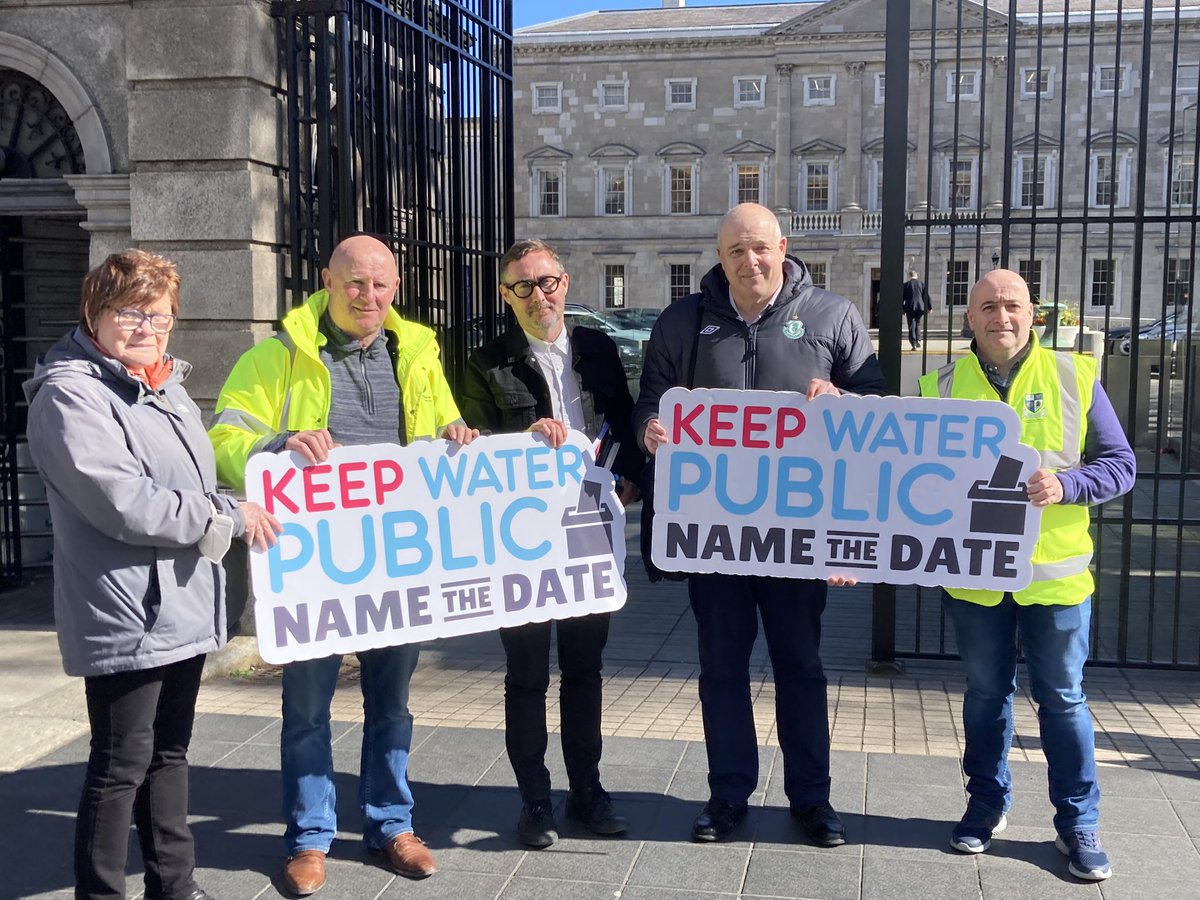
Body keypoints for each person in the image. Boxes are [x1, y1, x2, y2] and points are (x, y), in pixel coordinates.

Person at [209, 234, 478, 896]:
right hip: (314, 568)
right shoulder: (277, 356)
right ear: (327, 281)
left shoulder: (417, 352)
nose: (369, 297)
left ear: (397, 287)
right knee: (307, 707)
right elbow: (222, 438)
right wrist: (278, 444)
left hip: (397, 563)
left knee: (393, 704)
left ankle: (391, 825)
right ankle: (309, 837)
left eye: (382, 285)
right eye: (356, 284)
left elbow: (442, 426)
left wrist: (457, 435)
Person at [24, 250, 279, 900]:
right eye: (130, 312)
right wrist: (229, 515)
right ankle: (103, 893)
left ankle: (175, 885)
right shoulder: (70, 395)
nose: (147, 327)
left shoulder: (166, 388)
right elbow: (122, 501)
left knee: (168, 755)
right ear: (95, 311)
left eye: (160, 316)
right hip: (127, 614)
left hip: (185, 606)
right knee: (119, 767)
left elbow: (196, 475)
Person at [635, 203, 887, 845]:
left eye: (758, 248)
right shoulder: (682, 321)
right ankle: (727, 795)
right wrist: (650, 431)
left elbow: (879, 412)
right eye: (734, 252)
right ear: (719, 259)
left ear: (782, 245)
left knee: (799, 666)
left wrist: (847, 403)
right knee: (721, 669)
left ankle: (812, 799)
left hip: (798, 537)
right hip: (715, 537)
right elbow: (650, 399)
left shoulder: (834, 316)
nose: (749, 261)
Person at [918, 269, 1135, 881]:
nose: (1001, 317)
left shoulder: (1075, 375)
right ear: (969, 317)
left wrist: (1068, 485)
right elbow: (898, 464)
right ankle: (986, 805)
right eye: (987, 306)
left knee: (1062, 700)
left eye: (1012, 305)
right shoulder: (940, 384)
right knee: (986, 697)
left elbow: (1121, 466)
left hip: (1055, 578)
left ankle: (1077, 824)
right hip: (977, 576)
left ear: (1033, 314)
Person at [458, 239, 642, 848]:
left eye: (549, 282)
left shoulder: (598, 349)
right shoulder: (485, 362)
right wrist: (520, 439)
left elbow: (622, 422)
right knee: (527, 675)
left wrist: (625, 479)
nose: (540, 296)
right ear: (506, 296)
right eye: (524, 287)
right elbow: (473, 453)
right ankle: (535, 800)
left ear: (565, 282)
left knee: (584, 670)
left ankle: (587, 788)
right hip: (523, 545)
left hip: (588, 532)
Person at [902, 269, 932, 350]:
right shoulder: (921, 284)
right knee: (917, 323)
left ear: (910, 276)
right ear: (916, 275)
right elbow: (926, 296)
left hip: (910, 307)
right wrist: (929, 307)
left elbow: (902, 298)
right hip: (920, 307)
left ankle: (913, 343)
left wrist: (902, 309)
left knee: (912, 324)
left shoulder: (906, 285)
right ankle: (918, 338)